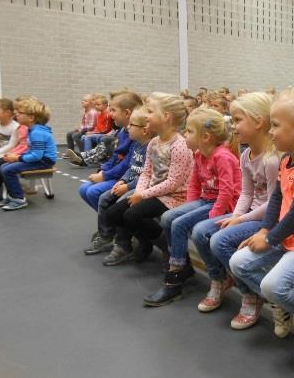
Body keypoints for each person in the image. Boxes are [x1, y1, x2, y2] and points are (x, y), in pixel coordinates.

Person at [229, 88, 294, 349]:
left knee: (272, 284)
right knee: (238, 263)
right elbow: (276, 199)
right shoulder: (288, 159)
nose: (271, 131)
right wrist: (265, 231)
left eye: (275, 125)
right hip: (288, 237)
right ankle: (282, 302)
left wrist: (271, 238)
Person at [192, 92, 279, 325]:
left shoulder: (271, 160)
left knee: (219, 241)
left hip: (267, 220)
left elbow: (272, 204)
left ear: (259, 122)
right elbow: (247, 194)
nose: (232, 124)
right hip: (250, 213)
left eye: (238, 119)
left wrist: (239, 220)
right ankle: (220, 279)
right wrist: (237, 215)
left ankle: (251, 293)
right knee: (201, 231)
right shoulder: (245, 155)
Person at [143, 108, 241, 306]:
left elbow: (227, 192)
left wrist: (212, 215)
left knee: (180, 224)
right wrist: (188, 208)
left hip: (224, 204)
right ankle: (179, 263)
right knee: (170, 217)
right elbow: (195, 184)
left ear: (205, 137)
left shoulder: (223, 157)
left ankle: (177, 272)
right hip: (206, 200)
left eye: (188, 131)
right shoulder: (198, 154)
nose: (184, 134)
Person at [102, 93, 192, 267]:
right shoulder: (154, 142)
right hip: (154, 192)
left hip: (174, 197)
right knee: (113, 214)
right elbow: (146, 172)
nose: (146, 115)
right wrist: (138, 192)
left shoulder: (179, 145)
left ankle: (171, 251)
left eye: (150, 111)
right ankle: (159, 242)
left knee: (131, 215)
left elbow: (173, 183)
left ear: (166, 117)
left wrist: (143, 196)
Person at [83, 107, 153, 255]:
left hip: (141, 186)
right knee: (103, 198)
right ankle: (106, 234)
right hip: (130, 182)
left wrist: (128, 186)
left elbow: (147, 175)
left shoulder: (150, 147)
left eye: (132, 125)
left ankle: (125, 243)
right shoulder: (137, 145)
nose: (128, 127)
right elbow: (131, 168)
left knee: (119, 204)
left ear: (144, 130)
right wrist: (122, 181)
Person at [76, 92, 143, 212]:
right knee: (83, 189)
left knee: (93, 192)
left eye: (113, 110)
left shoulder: (137, 135)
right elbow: (115, 156)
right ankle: (107, 221)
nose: (110, 114)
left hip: (125, 177)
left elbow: (127, 163)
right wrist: (103, 170)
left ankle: (110, 225)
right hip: (117, 174)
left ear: (127, 113)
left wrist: (105, 176)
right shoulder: (122, 131)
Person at [0, 99, 57, 211]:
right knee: (3, 166)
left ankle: (18, 199)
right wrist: (16, 156)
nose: (16, 113)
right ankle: (12, 196)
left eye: (20, 112)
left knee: (8, 170)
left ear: (31, 117)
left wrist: (17, 158)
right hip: (38, 158)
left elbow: (37, 156)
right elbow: (32, 151)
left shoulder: (37, 133)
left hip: (44, 161)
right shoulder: (31, 130)